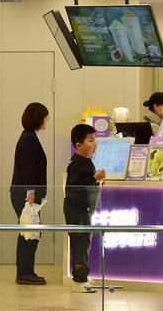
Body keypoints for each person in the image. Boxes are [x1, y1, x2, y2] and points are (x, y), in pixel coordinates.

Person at [9, 102, 49, 285]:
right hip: (26, 194)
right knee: (29, 234)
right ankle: (25, 272)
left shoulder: (30, 137)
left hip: (26, 193)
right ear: (38, 119)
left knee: (29, 232)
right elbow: (28, 169)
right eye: (45, 117)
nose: (47, 120)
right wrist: (31, 192)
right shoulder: (29, 140)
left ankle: (26, 270)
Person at [64, 124, 106, 293]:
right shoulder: (79, 163)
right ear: (78, 145)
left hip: (82, 208)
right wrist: (95, 178)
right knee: (80, 243)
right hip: (77, 209)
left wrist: (95, 179)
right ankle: (79, 279)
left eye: (94, 140)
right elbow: (76, 187)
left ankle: (83, 275)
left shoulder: (83, 161)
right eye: (90, 140)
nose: (95, 144)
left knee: (84, 241)